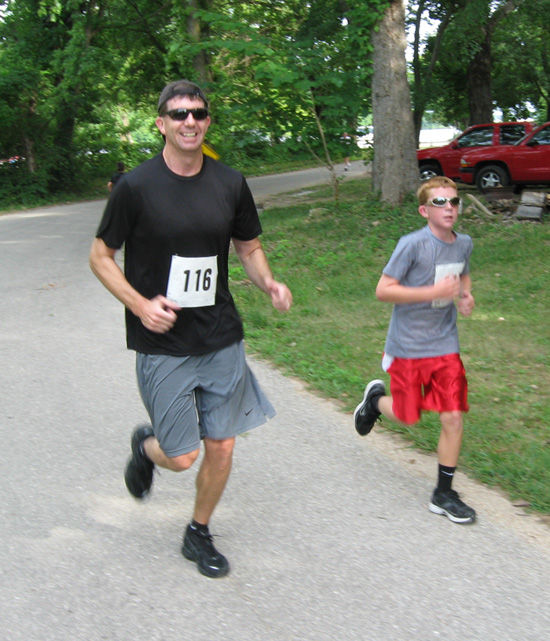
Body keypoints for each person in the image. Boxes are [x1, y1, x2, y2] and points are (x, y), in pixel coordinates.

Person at [89, 79, 292, 578]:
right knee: (182, 457)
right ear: (161, 123)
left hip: (220, 333)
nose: (190, 122)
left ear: (207, 122)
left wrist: (267, 282)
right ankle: (147, 447)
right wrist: (140, 305)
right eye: (179, 114)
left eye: (198, 113)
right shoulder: (136, 187)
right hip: (163, 342)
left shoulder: (230, 183)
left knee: (222, 443)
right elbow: (100, 257)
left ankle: (198, 531)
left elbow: (248, 246)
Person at [354, 176, 476, 524]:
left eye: (454, 201)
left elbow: (463, 273)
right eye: (440, 202)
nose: (449, 207)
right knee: (408, 414)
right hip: (408, 345)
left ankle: (443, 493)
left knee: (452, 415)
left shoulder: (463, 243)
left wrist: (466, 295)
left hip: (445, 343)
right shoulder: (412, 245)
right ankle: (375, 402)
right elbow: (383, 290)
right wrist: (431, 292)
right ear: (424, 211)